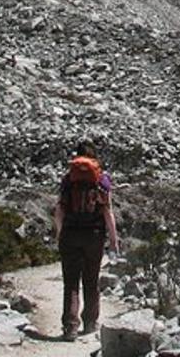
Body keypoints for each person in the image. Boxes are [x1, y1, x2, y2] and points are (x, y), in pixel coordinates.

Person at [53, 140, 120, 341]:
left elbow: (59, 210)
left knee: (71, 282)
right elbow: (107, 211)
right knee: (91, 280)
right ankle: (90, 322)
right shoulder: (102, 179)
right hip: (94, 235)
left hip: (70, 234)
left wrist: (59, 233)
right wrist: (114, 239)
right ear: (95, 158)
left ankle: (70, 326)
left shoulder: (68, 179)